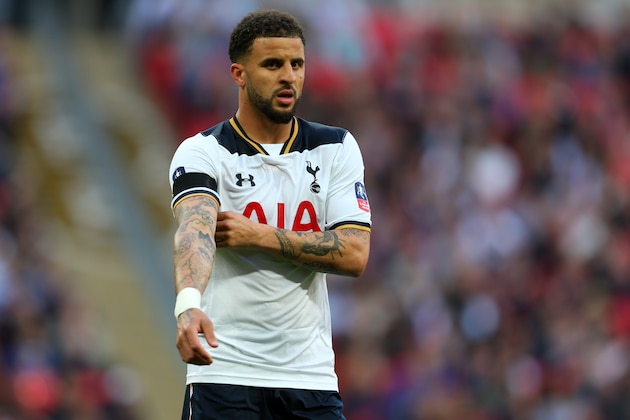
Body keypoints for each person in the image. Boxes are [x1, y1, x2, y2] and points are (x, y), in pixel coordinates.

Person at [168, 9, 372, 419]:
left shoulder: (335, 148)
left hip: (309, 376)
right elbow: (196, 231)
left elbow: (354, 254)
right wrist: (188, 304)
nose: (289, 76)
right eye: (272, 65)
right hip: (225, 373)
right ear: (239, 74)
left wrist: (258, 234)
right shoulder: (204, 152)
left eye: (297, 64)